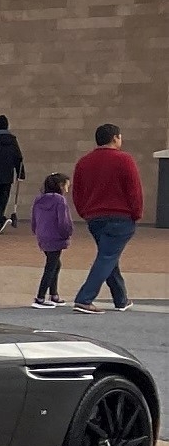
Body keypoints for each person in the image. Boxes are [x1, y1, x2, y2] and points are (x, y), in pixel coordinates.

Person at [68, 122, 143, 313]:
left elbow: (77, 192)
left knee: (108, 256)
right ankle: (84, 298)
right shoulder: (124, 159)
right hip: (120, 217)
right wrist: (136, 213)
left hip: (95, 217)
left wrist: (84, 212)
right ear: (115, 138)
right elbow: (134, 190)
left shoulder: (84, 162)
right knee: (107, 256)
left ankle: (121, 299)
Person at [31, 172, 72, 308]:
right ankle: (40, 297)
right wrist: (67, 233)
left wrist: (35, 230)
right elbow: (63, 220)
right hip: (56, 236)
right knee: (51, 265)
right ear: (61, 185)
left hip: (43, 235)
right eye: (66, 185)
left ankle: (54, 294)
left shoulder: (39, 199)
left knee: (55, 263)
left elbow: (34, 217)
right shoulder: (60, 200)